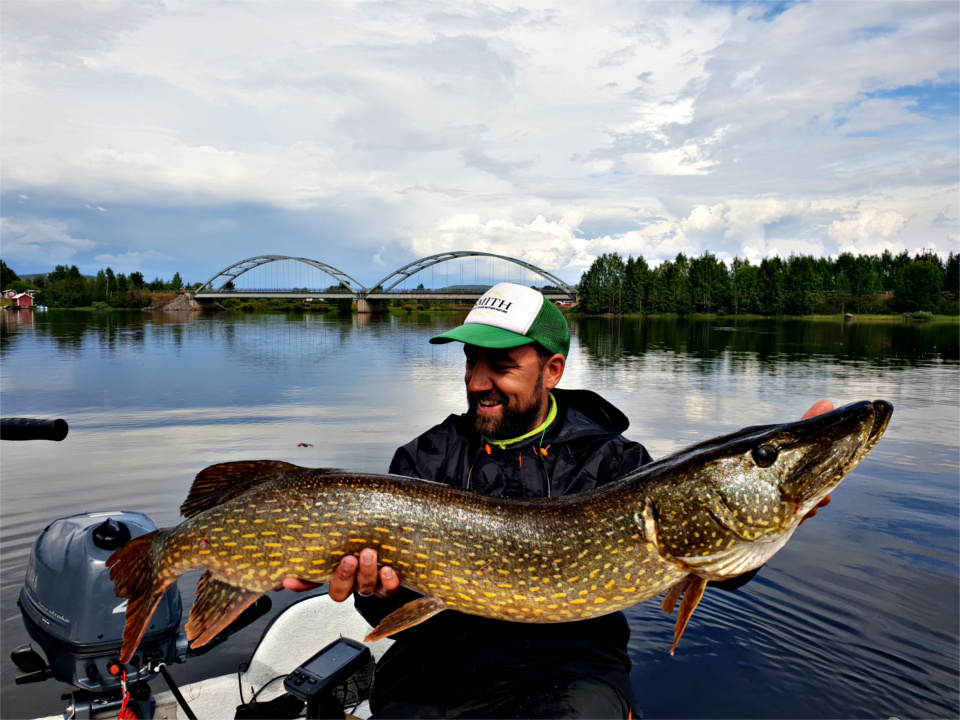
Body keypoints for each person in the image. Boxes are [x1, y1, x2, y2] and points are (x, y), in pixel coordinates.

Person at [284, 282, 833, 718]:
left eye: (501, 367)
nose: (478, 382)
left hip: (571, 671)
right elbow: (387, 603)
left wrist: (775, 502)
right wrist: (370, 590)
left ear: (553, 371)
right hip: (434, 669)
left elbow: (712, 561)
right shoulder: (424, 460)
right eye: (471, 363)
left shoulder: (614, 464)